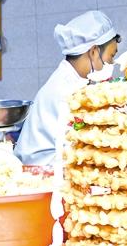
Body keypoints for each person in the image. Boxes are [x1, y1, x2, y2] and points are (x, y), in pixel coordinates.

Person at [15, 10, 120, 166]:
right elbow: (76, 145)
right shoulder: (64, 91)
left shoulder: (77, 81)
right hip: (46, 169)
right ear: (93, 52)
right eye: (111, 56)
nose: (112, 63)